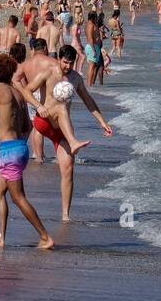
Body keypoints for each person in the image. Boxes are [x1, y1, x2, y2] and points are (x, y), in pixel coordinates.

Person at [21, 45, 114, 222]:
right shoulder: (48, 72)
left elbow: (88, 100)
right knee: (61, 105)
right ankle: (73, 142)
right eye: (65, 62)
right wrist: (39, 106)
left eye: (71, 63)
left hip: (62, 130)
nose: (68, 67)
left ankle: (65, 215)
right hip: (44, 121)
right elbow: (26, 91)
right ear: (58, 59)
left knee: (68, 169)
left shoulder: (76, 78)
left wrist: (103, 122)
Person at [0, 53, 53, 250]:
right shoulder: (17, 93)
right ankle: (0, 237)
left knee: (18, 197)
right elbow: (26, 127)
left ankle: (45, 236)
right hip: (20, 147)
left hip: (9, 151)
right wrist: (3, 132)